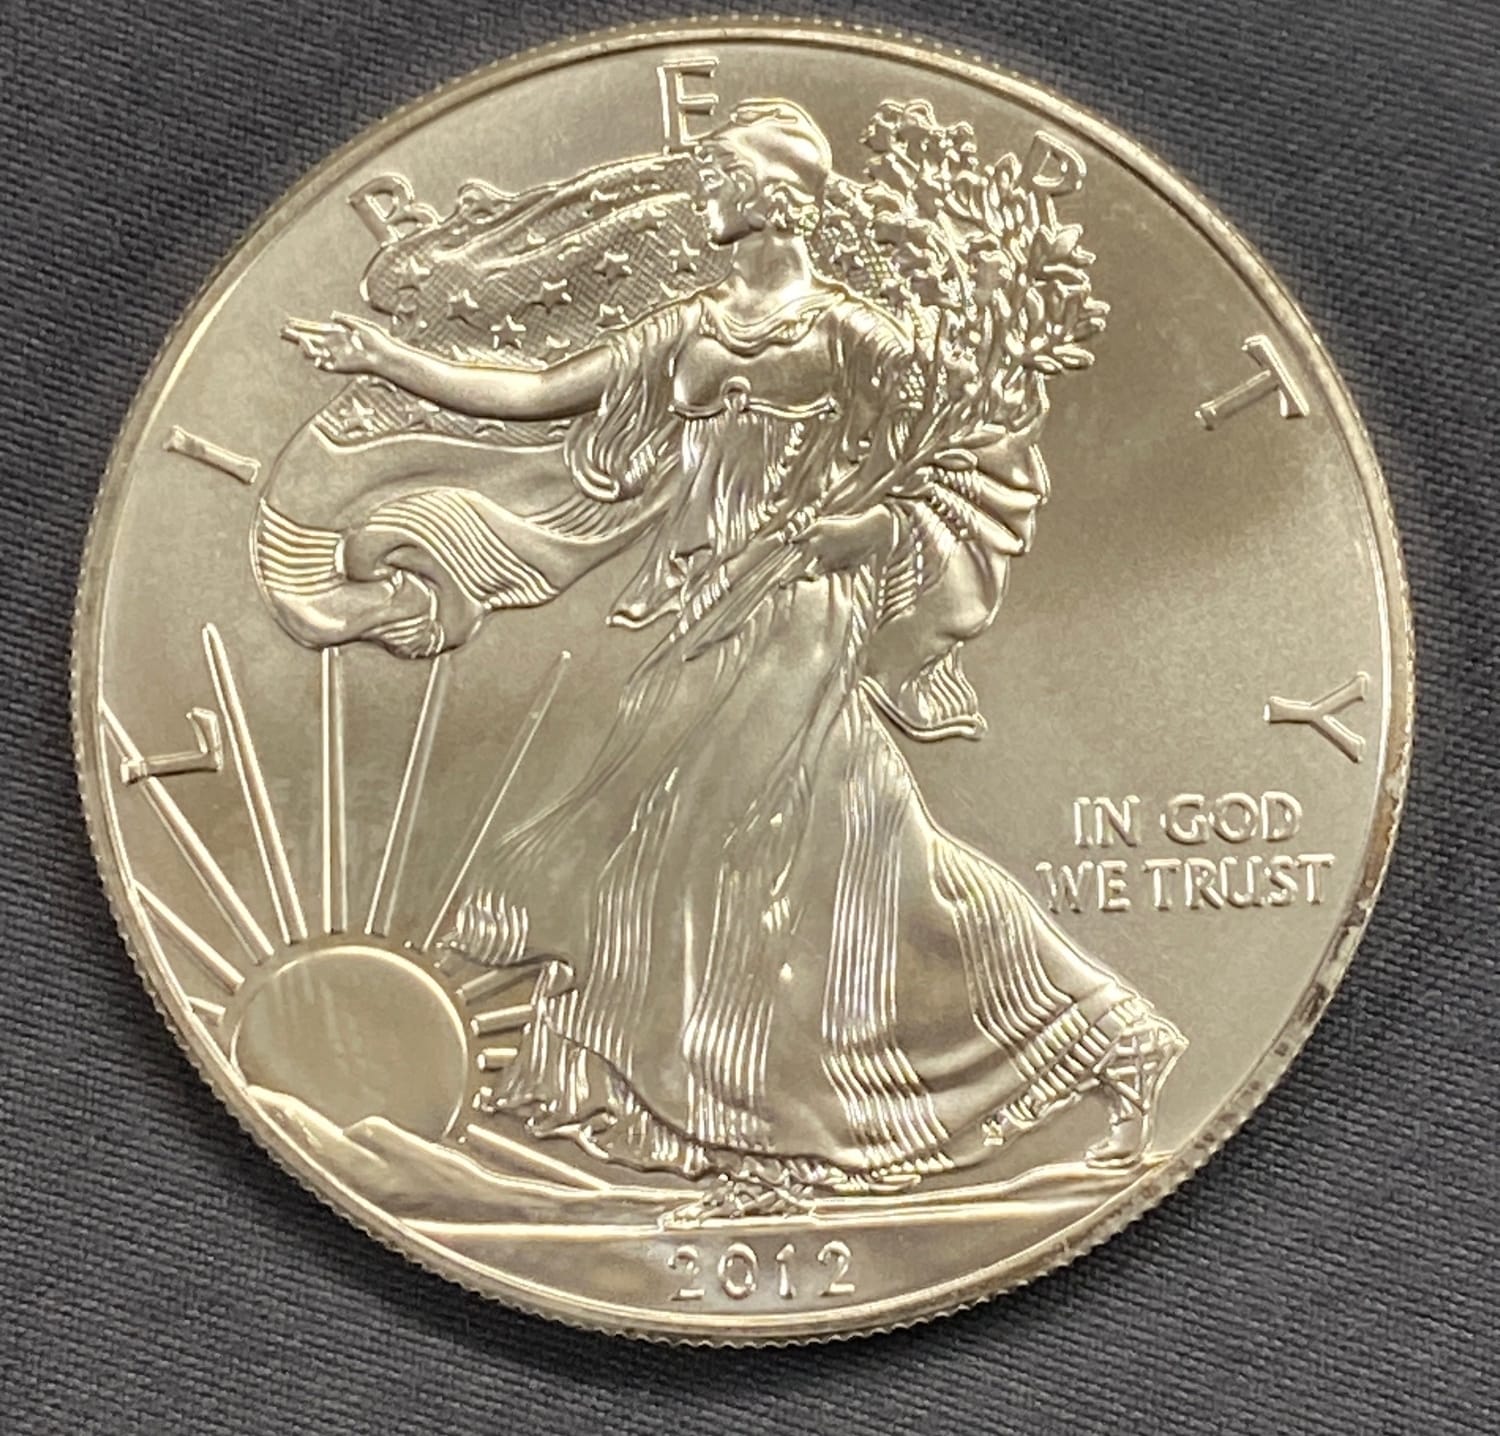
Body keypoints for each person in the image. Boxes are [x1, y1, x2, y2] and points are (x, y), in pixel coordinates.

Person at [285, 99, 1184, 1215]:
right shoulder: (691, 328)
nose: (698, 192)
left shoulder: (859, 338)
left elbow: (970, 466)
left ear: (769, 197)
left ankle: (778, 1139)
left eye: (714, 175)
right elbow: (536, 395)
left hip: (804, 608)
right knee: (834, 853)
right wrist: (388, 356)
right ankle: (1092, 1044)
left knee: (747, 852)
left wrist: (875, 528)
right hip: (705, 610)